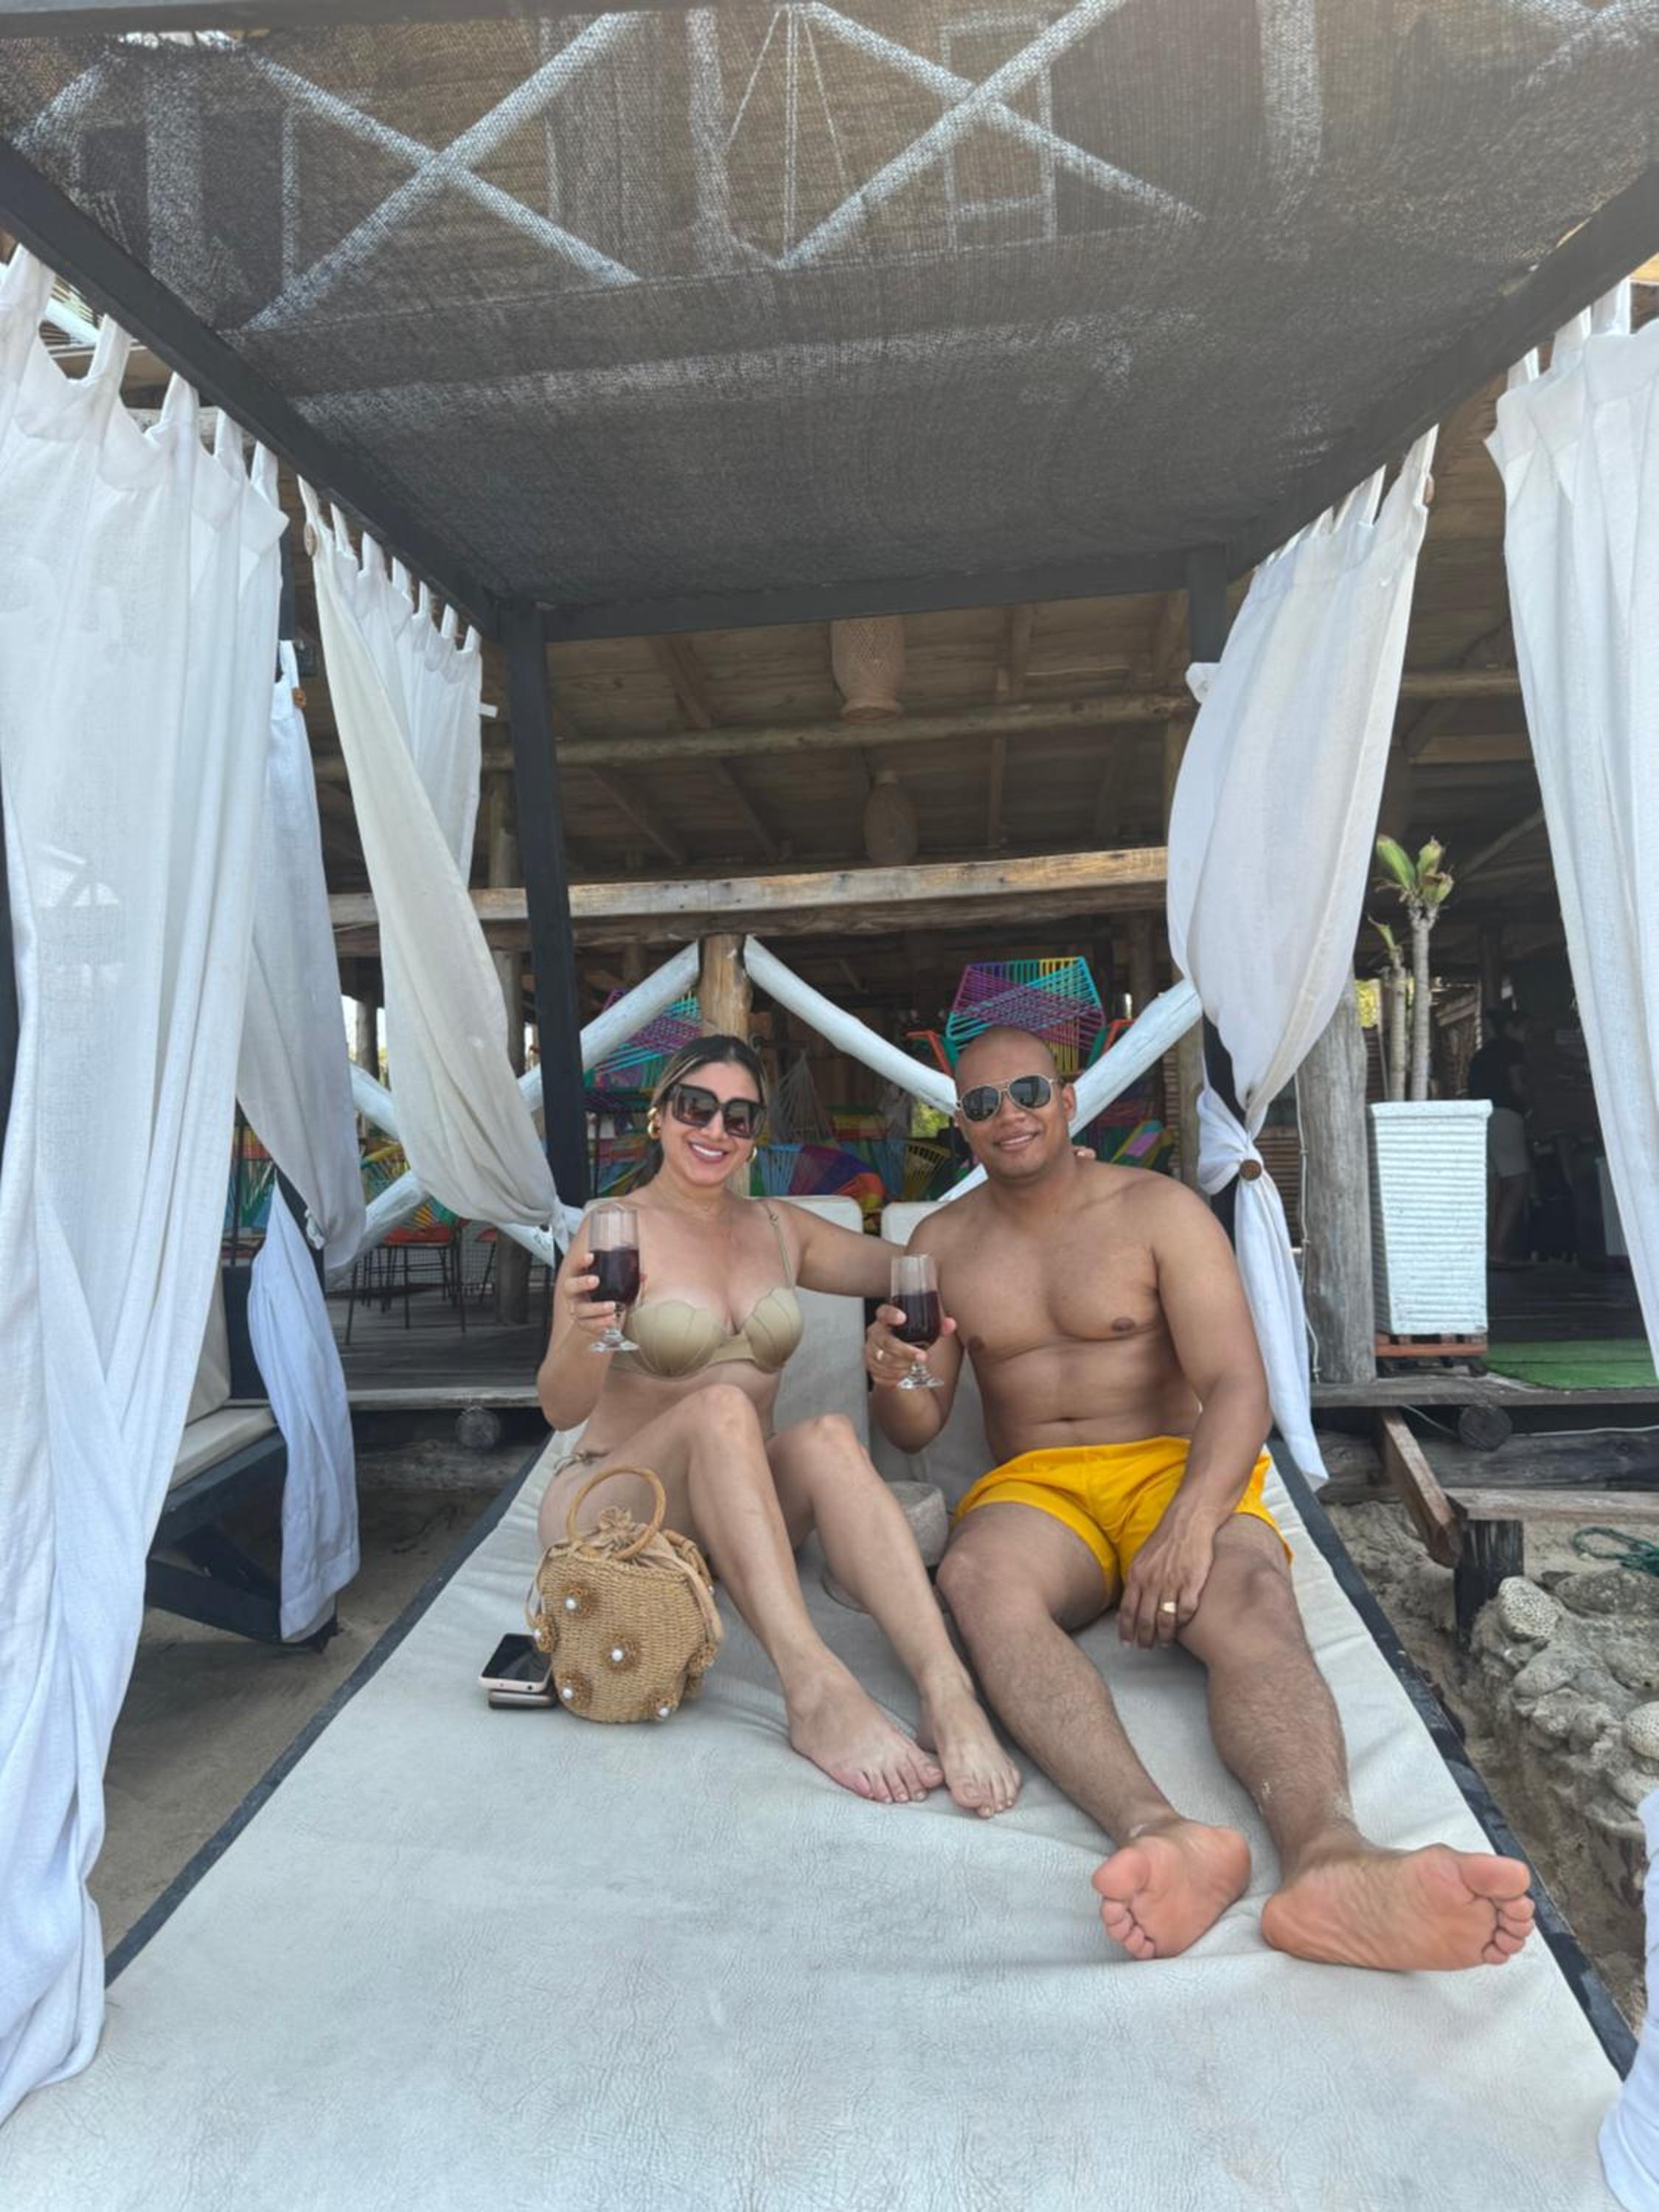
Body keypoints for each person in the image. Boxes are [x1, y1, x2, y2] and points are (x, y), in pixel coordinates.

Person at [867, 1024, 1537, 1971]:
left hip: (1169, 1466)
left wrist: (1190, 1524)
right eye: (981, 1104)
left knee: (1253, 1596)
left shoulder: (1158, 1210)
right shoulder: (939, 1244)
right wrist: (893, 1375)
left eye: (1028, 1092)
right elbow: (915, 1429)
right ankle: (1161, 1834)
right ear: (962, 1125)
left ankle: (1330, 1858)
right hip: (1037, 1488)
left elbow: (1238, 1386)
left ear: (1068, 1101)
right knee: (976, 1584)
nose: (1008, 1115)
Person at [537, 1034, 1018, 1818]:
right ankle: (815, 1690)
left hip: (737, 1512)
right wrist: (588, 1335)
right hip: (614, 1506)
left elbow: (920, 1265)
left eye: (739, 1116)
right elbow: (559, 1408)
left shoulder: (779, 1229)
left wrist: (1031, 1201)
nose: (715, 1130)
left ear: (756, 1133)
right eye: (696, 1107)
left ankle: (947, 1689)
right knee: (722, 1407)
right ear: (660, 1115)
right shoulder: (614, 1231)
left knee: (828, 1434)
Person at [1467, 1006, 1531, 1267]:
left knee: (1492, 1186)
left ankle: (1484, 1249)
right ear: (1511, 1028)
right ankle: (1498, 1248)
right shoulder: (1512, 1049)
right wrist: (1529, 1106)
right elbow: (1517, 1084)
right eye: (1525, 1029)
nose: (1527, 1035)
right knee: (1517, 1183)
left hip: (1481, 1119)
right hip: (1505, 1117)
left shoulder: (1481, 1055)